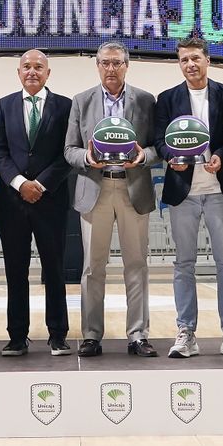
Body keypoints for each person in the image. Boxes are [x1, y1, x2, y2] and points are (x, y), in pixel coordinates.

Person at [65, 40, 159, 357]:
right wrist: (88, 159)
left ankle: (138, 335)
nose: (111, 68)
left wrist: (143, 156)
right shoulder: (81, 101)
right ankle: (91, 334)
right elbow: (69, 150)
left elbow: (159, 148)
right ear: (97, 66)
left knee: (137, 265)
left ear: (126, 65)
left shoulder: (146, 100)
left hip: (133, 188)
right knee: (93, 268)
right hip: (96, 188)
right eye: (105, 62)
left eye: (117, 62)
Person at [155, 35, 223, 358]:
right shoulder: (167, 98)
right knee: (184, 264)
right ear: (179, 64)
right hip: (184, 192)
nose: (190, 64)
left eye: (195, 58)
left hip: (219, 190)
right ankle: (186, 332)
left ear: (207, 60)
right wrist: (171, 157)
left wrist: (222, 155)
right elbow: (159, 139)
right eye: (184, 60)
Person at [0, 49, 74, 357]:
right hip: (12, 202)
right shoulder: (4, 106)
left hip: (50, 199)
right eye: (26, 66)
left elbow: (67, 153)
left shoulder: (66, 106)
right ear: (18, 72)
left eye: (38, 67)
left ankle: (58, 334)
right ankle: (17, 336)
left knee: (54, 269)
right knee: (16, 270)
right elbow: (0, 152)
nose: (32, 71)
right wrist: (20, 183)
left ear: (48, 73)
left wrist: (39, 184)